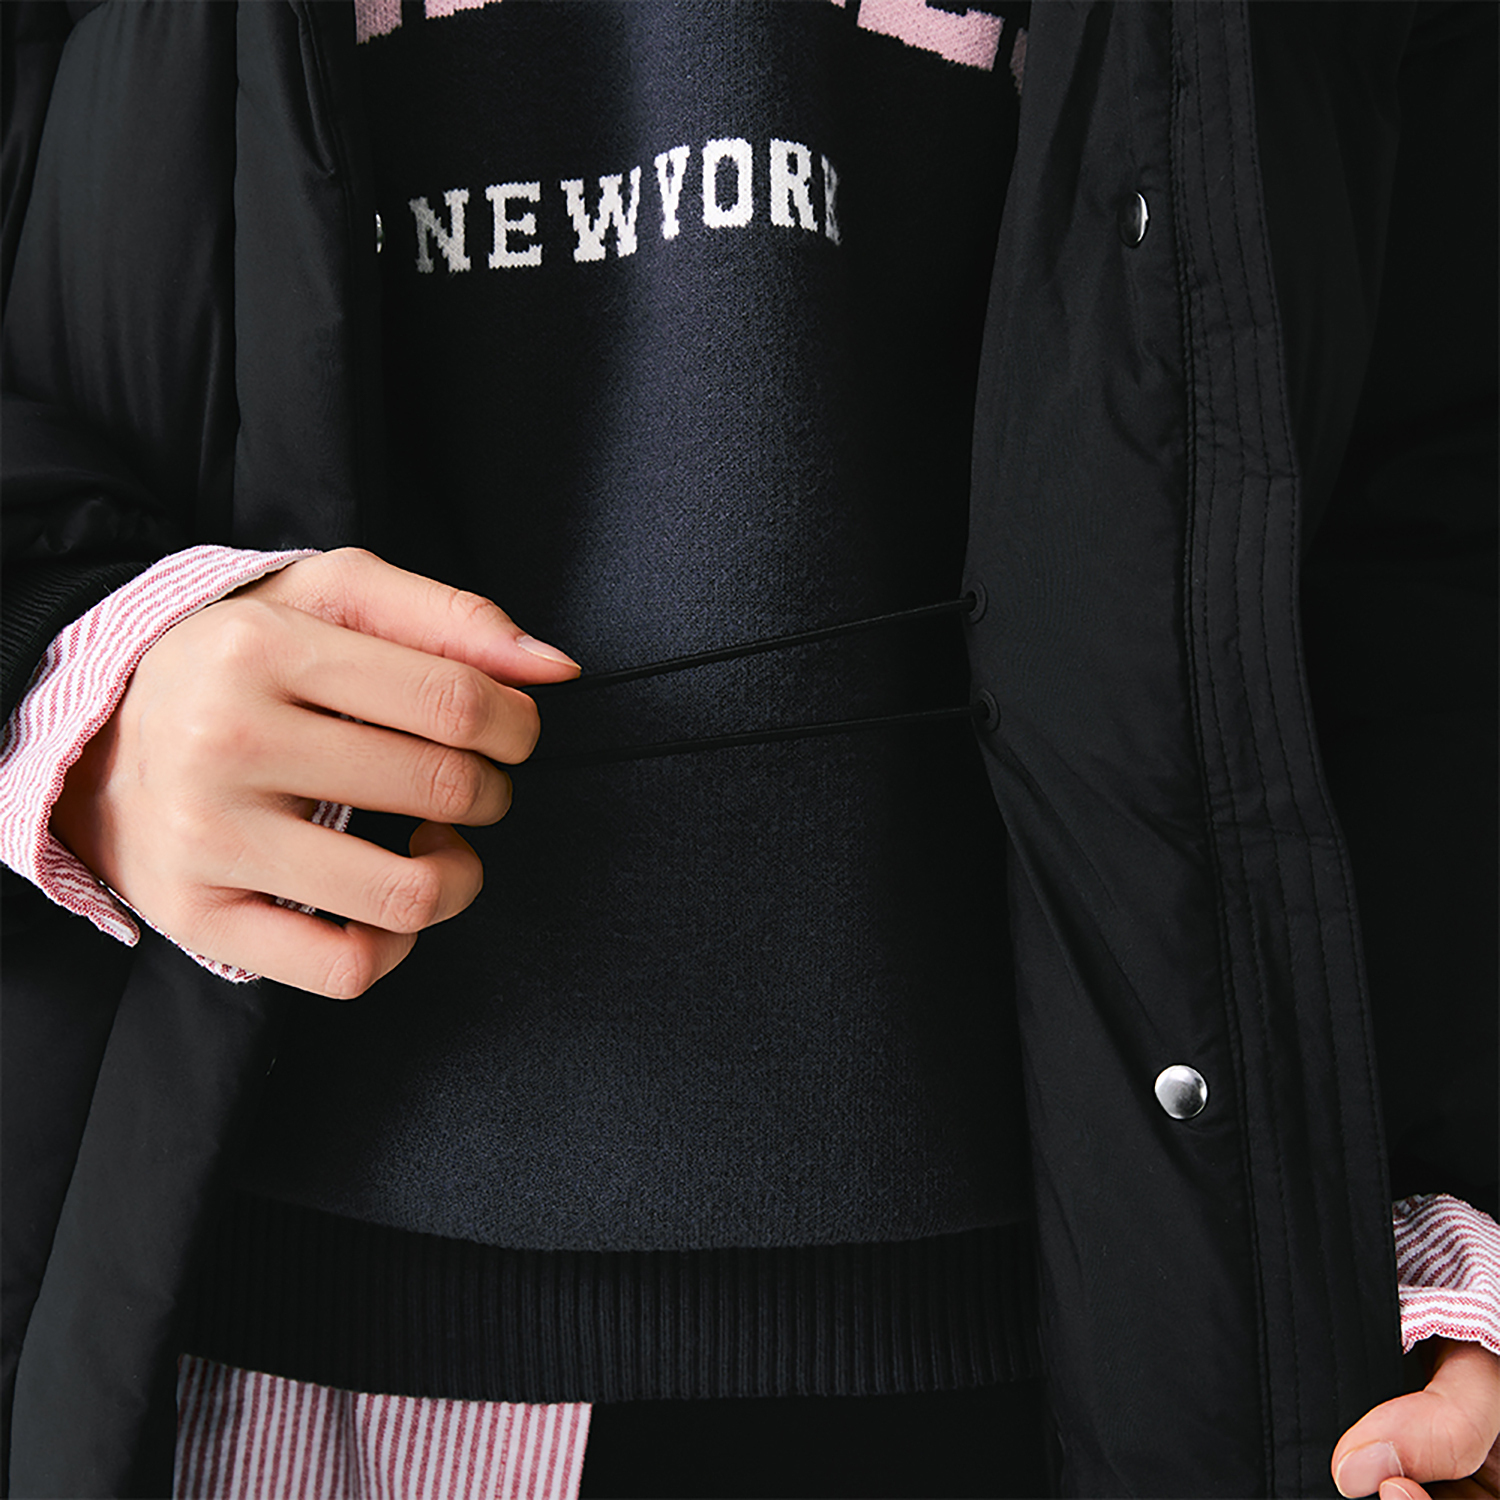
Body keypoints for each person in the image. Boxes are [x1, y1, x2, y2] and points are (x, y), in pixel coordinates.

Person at [2, 2, 1496, 1497]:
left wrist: (1459, 1223)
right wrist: (72, 676)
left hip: (1106, 1350)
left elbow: (1428, 478)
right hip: (213, 1325)